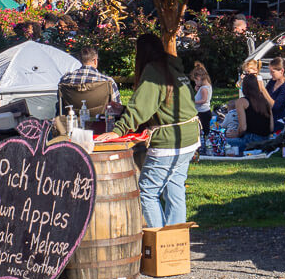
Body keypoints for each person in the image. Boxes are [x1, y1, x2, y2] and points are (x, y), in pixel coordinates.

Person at [95, 33, 200, 228]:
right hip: (189, 136)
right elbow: (163, 105)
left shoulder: (154, 71)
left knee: (147, 191)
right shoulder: (173, 68)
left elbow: (141, 107)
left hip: (170, 141)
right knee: (175, 189)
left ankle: (160, 241)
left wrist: (118, 130)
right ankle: (173, 245)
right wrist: (126, 111)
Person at [224, 74, 272, 152]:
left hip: (250, 140)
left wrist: (236, 134)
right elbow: (271, 127)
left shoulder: (242, 102)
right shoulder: (266, 101)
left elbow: (243, 128)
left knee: (222, 143)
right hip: (266, 140)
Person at [266, 57, 285, 131]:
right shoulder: (272, 82)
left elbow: (276, 106)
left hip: (278, 121)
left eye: (272, 72)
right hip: (268, 117)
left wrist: (263, 91)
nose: (270, 74)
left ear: (281, 71)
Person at [191, 62, 213, 138]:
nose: (196, 83)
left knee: (204, 130)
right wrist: (197, 89)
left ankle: (206, 141)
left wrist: (193, 102)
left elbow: (204, 100)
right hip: (204, 111)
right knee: (204, 129)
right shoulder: (206, 86)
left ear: (199, 78)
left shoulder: (204, 88)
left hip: (203, 113)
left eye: (196, 81)